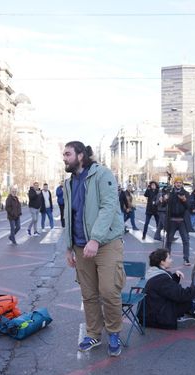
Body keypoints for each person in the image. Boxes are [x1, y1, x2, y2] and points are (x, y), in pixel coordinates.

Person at [63, 141, 125, 357]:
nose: (64, 157)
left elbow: (109, 207)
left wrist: (96, 239)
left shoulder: (102, 174)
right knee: (88, 294)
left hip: (105, 244)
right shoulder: (68, 182)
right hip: (81, 246)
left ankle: (114, 332)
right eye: (64, 154)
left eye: (68, 153)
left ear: (80, 155)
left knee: (109, 291)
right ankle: (93, 334)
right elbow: (68, 216)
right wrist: (68, 247)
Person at [141, 248, 195, 329]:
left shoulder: (153, 272)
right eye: (169, 258)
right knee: (187, 302)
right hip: (155, 317)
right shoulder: (162, 278)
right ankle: (173, 320)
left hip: (147, 313)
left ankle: (177, 316)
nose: (171, 260)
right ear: (162, 262)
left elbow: (164, 289)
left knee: (184, 300)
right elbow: (181, 295)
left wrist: (174, 276)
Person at [160, 177, 191, 265]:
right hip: (172, 220)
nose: (178, 184)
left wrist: (184, 200)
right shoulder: (170, 193)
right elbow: (163, 205)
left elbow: (189, 207)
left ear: (182, 184)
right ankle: (166, 258)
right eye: (177, 182)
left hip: (182, 221)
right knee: (169, 240)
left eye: (180, 182)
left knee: (185, 240)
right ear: (174, 184)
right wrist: (164, 200)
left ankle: (186, 259)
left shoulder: (186, 193)